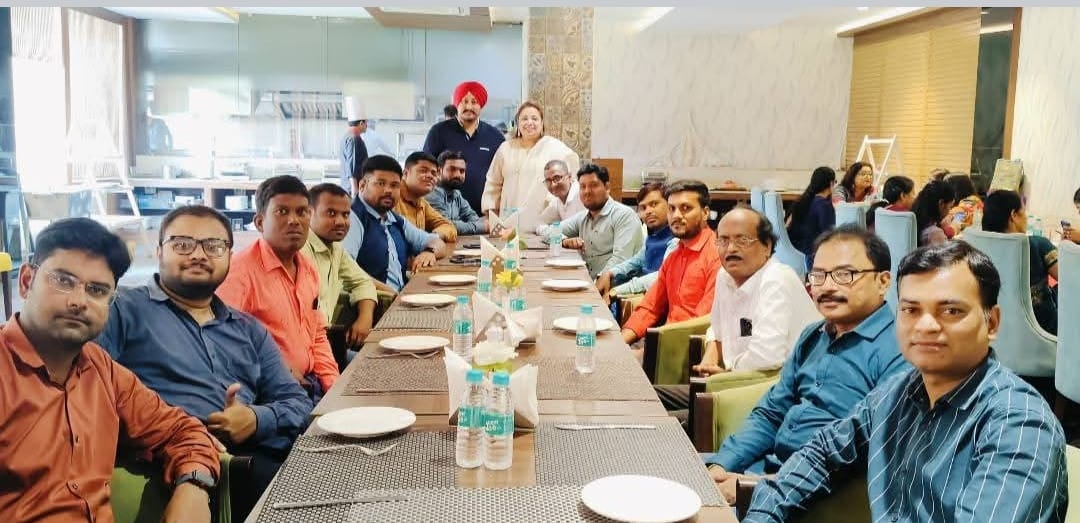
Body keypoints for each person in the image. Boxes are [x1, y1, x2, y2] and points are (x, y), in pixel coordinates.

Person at [742, 241, 1068, 523]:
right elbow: (822, 454)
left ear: (992, 322)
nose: (925, 326)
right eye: (911, 310)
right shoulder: (898, 392)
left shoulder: (1019, 423)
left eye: (951, 311)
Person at [97, 206, 312, 518]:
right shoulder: (122, 310)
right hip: (183, 466)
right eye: (183, 244)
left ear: (229, 256)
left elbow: (297, 401)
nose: (198, 255)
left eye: (213, 246)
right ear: (159, 251)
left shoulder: (248, 329)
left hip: (266, 450)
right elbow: (89, 389)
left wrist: (256, 418)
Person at [0, 218, 219, 522]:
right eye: (63, 281)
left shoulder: (103, 371)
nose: (79, 301)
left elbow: (183, 430)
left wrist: (194, 487)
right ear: (26, 281)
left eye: (97, 290)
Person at [705, 225, 910, 504]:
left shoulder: (901, 352)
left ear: (883, 281)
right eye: (819, 275)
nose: (827, 287)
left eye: (844, 275)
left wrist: (752, 487)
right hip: (765, 469)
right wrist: (721, 465)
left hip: (816, 497)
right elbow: (771, 413)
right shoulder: (813, 336)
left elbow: (867, 454)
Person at [654, 208, 820, 415]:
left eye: (742, 240)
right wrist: (710, 357)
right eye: (723, 241)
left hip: (777, 395)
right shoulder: (725, 276)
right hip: (733, 383)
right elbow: (717, 328)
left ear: (767, 246)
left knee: (668, 421)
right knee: (647, 399)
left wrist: (726, 373)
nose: (731, 249)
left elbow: (766, 357)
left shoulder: (776, 280)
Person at [217, 175, 339, 401]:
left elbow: (317, 335)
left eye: (302, 212)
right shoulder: (238, 274)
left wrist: (334, 386)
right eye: (282, 212)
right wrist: (282, 373)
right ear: (259, 222)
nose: (294, 221)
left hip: (309, 382)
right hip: (268, 394)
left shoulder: (308, 269)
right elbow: (223, 343)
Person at [621, 180, 720, 347]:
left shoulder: (717, 256)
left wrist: (649, 352)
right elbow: (650, 306)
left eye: (686, 208)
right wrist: (621, 341)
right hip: (663, 341)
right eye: (672, 209)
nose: (676, 215)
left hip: (690, 349)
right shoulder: (674, 256)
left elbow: (702, 323)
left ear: (705, 213)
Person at [342, 155, 447, 292]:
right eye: (380, 183)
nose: (388, 190)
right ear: (362, 185)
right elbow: (346, 271)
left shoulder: (394, 219)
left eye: (394, 185)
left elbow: (438, 243)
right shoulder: (352, 218)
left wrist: (429, 252)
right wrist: (391, 294)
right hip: (376, 300)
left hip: (400, 294)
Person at [481, 101, 580, 232]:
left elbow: (571, 175)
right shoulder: (505, 149)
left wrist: (554, 204)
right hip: (508, 221)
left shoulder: (555, 147)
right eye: (524, 119)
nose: (529, 123)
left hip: (543, 222)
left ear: (542, 123)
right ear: (518, 123)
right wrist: (492, 215)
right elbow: (493, 183)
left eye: (534, 118)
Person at [302, 183, 381, 343]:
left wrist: (364, 319)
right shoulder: (300, 251)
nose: (340, 222)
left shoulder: (335, 248)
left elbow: (362, 282)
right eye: (331, 213)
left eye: (345, 215)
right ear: (309, 213)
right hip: (308, 345)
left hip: (325, 340)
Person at [981, 190, 1058, 334]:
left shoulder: (978, 250)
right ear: (1014, 216)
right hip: (1042, 333)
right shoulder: (1037, 245)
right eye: (1024, 212)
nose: (1026, 218)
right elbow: (1070, 282)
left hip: (995, 331)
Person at [423, 81, 506, 213]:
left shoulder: (495, 136)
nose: (469, 106)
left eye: (474, 102)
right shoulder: (438, 132)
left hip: (483, 213)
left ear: (481, 105)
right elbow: (426, 169)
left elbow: (501, 177)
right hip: (443, 212)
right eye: (464, 101)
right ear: (457, 104)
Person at [560, 163, 644, 280]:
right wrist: (564, 241)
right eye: (583, 186)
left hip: (616, 286)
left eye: (593, 185)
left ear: (607, 187)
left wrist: (595, 284)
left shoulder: (624, 216)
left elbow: (620, 260)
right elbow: (550, 231)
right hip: (589, 283)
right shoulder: (582, 217)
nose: (587, 191)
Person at [595, 182, 676, 300]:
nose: (648, 211)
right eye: (643, 208)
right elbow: (636, 261)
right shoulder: (653, 236)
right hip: (645, 296)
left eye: (654, 204)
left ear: (670, 205)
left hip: (661, 299)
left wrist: (616, 291)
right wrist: (610, 273)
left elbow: (661, 277)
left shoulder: (676, 239)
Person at [395, 151, 458, 242]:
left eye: (434, 173)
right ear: (405, 174)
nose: (430, 176)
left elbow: (449, 227)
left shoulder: (421, 202)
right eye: (423, 171)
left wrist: (433, 237)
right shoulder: (392, 197)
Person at [426, 150, 487, 235]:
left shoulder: (456, 194)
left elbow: (474, 218)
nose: (457, 175)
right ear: (439, 171)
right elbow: (445, 226)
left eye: (462, 171)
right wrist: (482, 227)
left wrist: (482, 224)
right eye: (452, 169)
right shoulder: (432, 193)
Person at [787, 166, 836, 259]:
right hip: (813, 256)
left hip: (796, 253)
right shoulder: (824, 205)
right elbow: (830, 235)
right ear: (831, 183)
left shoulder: (803, 201)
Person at [535, 159, 586, 237]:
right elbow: (538, 223)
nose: (553, 185)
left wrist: (551, 232)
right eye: (548, 180)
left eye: (557, 178)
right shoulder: (557, 201)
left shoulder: (582, 195)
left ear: (569, 177)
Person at [913, 179, 956, 246]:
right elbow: (947, 252)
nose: (949, 211)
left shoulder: (915, 217)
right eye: (950, 207)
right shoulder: (934, 233)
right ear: (941, 204)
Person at [339, 96, 369, 194]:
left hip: (349, 186)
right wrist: (354, 189)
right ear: (361, 123)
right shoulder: (354, 138)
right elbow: (352, 165)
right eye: (366, 123)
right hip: (352, 188)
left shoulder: (347, 137)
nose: (367, 126)